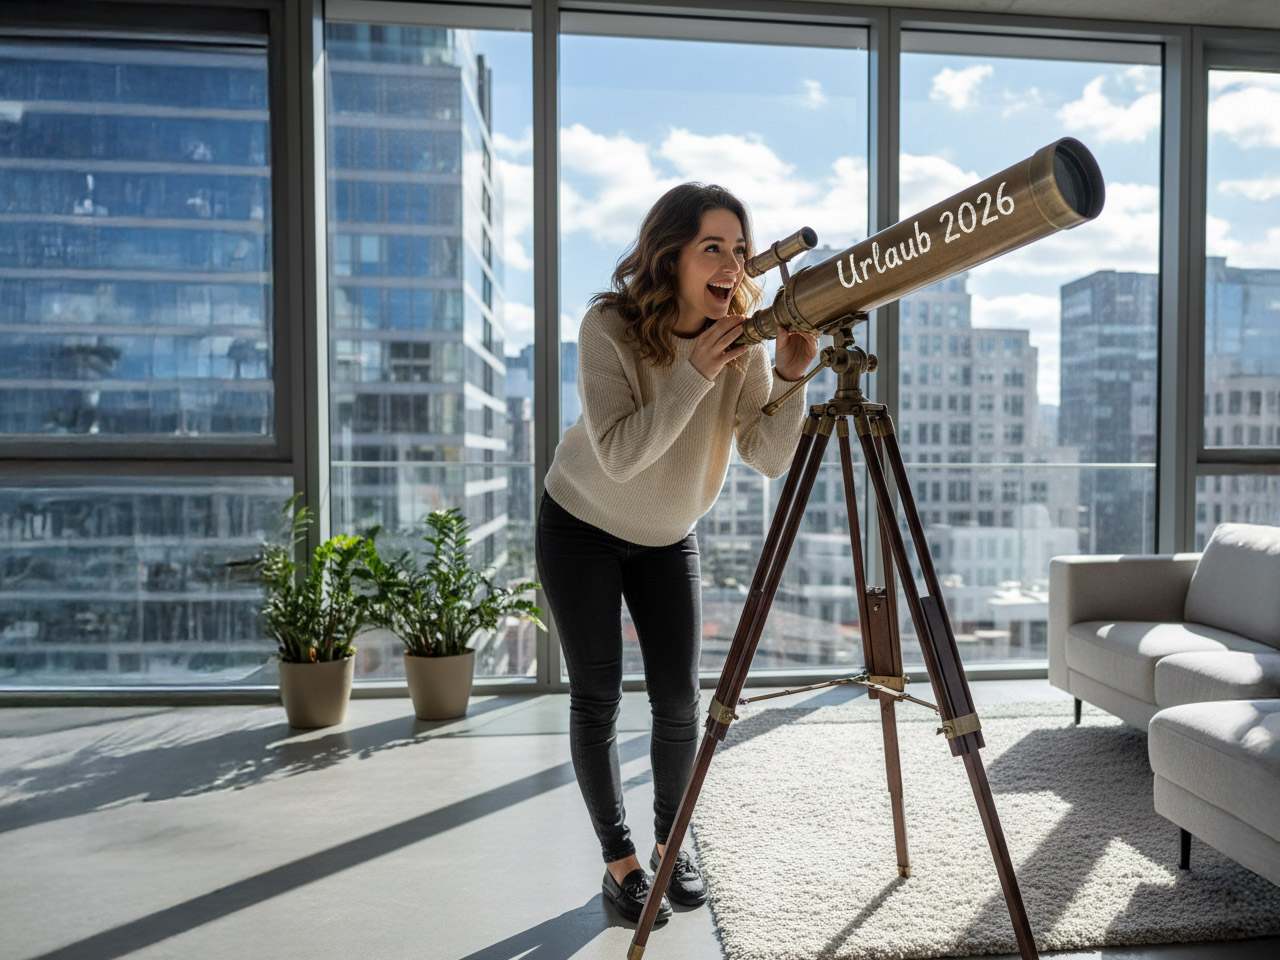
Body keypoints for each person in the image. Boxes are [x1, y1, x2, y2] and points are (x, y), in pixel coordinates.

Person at [535, 183, 818, 924]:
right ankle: (620, 862)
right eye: (712, 247)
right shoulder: (609, 326)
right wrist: (696, 371)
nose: (732, 265)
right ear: (671, 256)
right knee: (597, 695)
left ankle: (670, 845)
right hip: (580, 523)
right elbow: (622, 456)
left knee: (678, 700)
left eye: (740, 250)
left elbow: (767, 456)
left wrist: (790, 376)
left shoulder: (743, 341)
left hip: (667, 536)